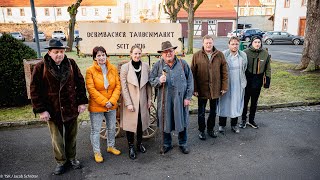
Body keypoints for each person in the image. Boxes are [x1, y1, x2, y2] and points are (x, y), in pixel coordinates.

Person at [30, 39, 88, 175]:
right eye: (56, 52)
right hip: (52, 109)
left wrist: (81, 102)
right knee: (57, 139)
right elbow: (34, 89)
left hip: (71, 107)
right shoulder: (40, 67)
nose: (59, 55)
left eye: (61, 52)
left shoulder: (71, 63)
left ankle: (72, 158)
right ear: (49, 52)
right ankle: (61, 162)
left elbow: (80, 83)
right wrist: (41, 110)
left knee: (71, 136)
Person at [149, 41, 193, 154]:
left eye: (171, 51)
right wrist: (159, 80)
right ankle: (166, 144)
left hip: (180, 99)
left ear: (174, 52)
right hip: (165, 99)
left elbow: (190, 81)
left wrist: (188, 97)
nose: (168, 53)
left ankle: (183, 143)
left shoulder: (183, 64)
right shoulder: (158, 65)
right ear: (162, 54)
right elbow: (151, 80)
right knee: (165, 120)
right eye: (166, 52)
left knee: (181, 120)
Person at [85, 46, 121, 163]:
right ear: (95, 58)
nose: (101, 57)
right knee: (96, 130)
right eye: (98, 55)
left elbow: (117, 86)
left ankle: (111, 146)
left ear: (106, 55)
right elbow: (91, 89)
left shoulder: (113, 69)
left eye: (103, 54)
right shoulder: (90, 71)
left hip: (111, 104)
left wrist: (112, 101)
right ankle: (97, 152)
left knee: (111, 127)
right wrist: (105, 102)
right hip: (97, 106)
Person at [191, 35, 228, 140]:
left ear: (213, 43)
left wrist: (224, 86)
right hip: (201, 89)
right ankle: (201, 130)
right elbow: (192, 74)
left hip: (215, 89)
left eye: (210, 43)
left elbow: (224, 72)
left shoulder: (219, 55)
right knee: (201, 112)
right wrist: (194, 89)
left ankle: (210, 129)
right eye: (206, 43)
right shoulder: (196, 56)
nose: (208, 45)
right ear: (203, 43)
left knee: (213, 111)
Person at [120, 45, 152, 160]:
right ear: (131, 54)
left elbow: (149, 85)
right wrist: (128, 103)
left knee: (140, 123)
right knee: (130, 125)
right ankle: (131, 147)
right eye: (135, 53)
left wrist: (149, 100)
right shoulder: (125, 67)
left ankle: (139, 144)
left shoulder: (146, 66)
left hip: (142, 100)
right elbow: (123, 87)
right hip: (131, 101)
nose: (137, 55)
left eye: (139, 53)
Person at [217, 36, 247, 134]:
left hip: (238, 83)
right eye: (233, 44)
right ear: (229, 45)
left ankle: (234, 125)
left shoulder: (243, 55)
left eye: (236, 44)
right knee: (224, 103)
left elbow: (244, 68)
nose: (235, 46)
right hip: (226, 83)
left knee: (236, 103)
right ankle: (222, 124)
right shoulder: (223, 54)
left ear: (239, 45)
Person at [241, 35, 271, 129]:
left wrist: (267, 80)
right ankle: (243, 120)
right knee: (245, 101)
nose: (257, 44)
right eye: (255, 42)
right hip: (247, 79)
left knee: (254, 102)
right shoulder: (245, 52)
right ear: (252, 43)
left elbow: (268, 68)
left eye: (259, 42)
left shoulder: (265, 53)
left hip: (258, 80)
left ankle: (251, 120)